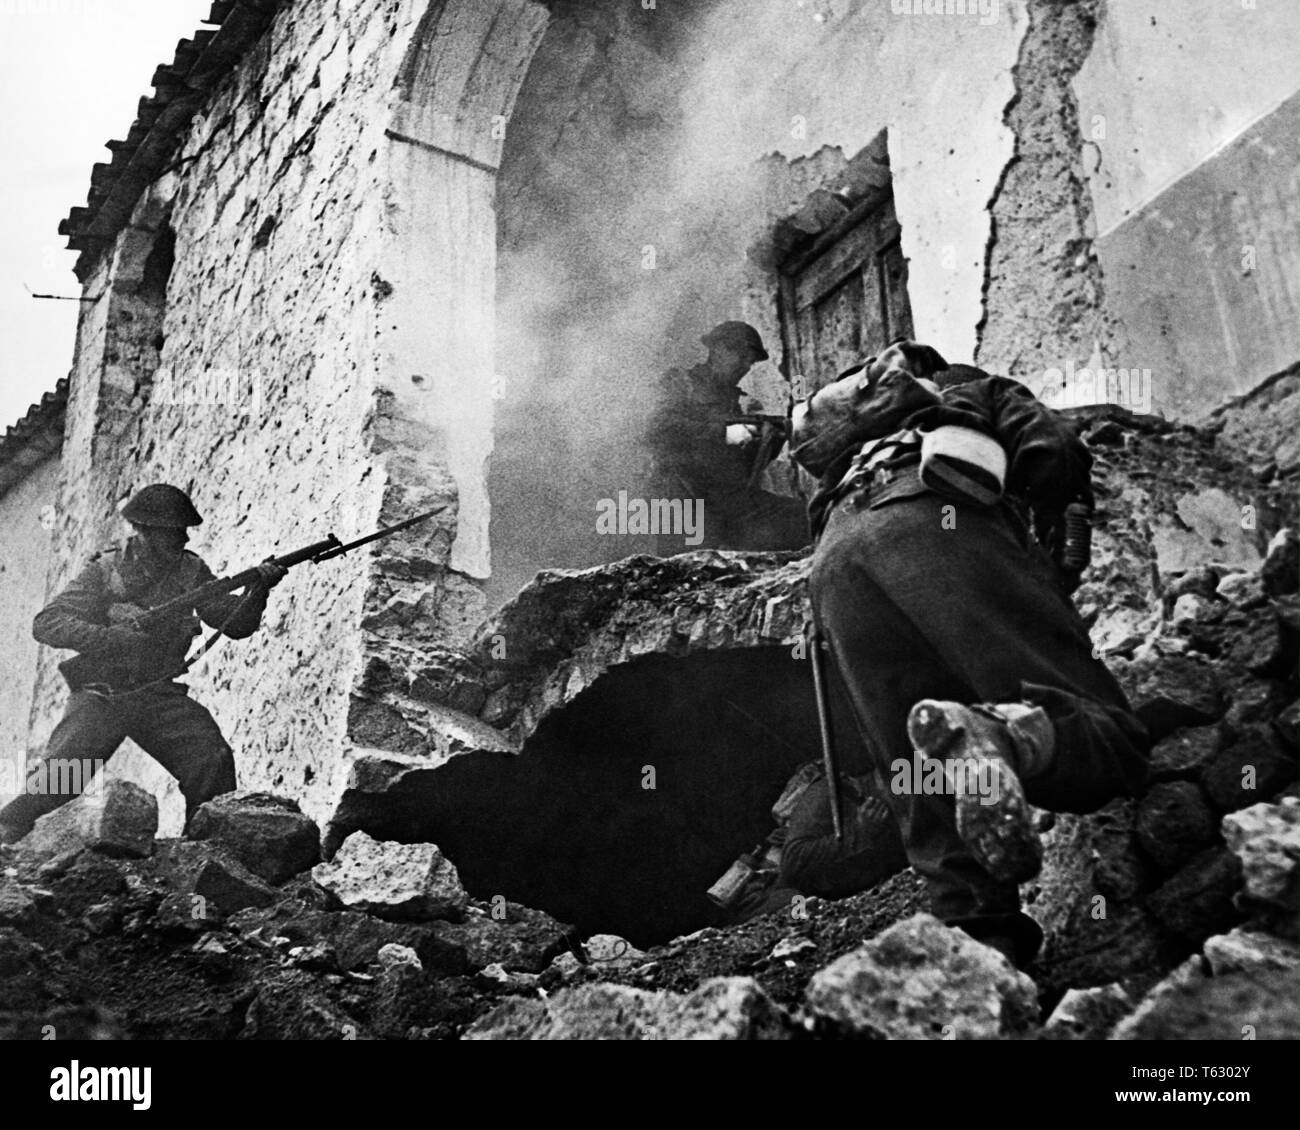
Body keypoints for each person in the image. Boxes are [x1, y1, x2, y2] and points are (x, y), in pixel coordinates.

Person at [798, 340, 1150, 966]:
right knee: (1107, 734)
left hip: (835, 564)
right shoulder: (971, 391)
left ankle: (980, 962)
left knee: (921, 780)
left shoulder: (841, 446)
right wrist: (1050, 540)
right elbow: (1054, 451)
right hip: (930, 518)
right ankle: (1002, 735)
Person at [0, 484, 286, 844]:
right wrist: (111, 638)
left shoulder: (190, 571)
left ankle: (205, 855)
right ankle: (5, 839)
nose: (183, 537)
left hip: (156, 695)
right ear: (145, 532)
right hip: (102, 694)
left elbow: (237, 624)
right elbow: (47, 623)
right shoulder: (106, 570)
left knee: (210, 759)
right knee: (59, 780)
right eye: (173, 531)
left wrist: (258, 590)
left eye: (184, 530)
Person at [648, 321, 807, 552]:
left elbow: (740, 467)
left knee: (804, 517)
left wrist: (767, 441)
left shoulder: (733, 401)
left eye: (750, 362)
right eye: (742, 357)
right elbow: (658, 428)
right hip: (684, 500)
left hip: (728, 500)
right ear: (719, 349)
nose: (746, 366)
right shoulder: (680, 383)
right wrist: (724, 433)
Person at [708, 762, 908, 924]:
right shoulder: (829, 790)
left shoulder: (890, 823)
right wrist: (861, 831)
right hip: (767, 895)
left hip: (804, 896)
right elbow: (793, 862)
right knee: (815, 920)